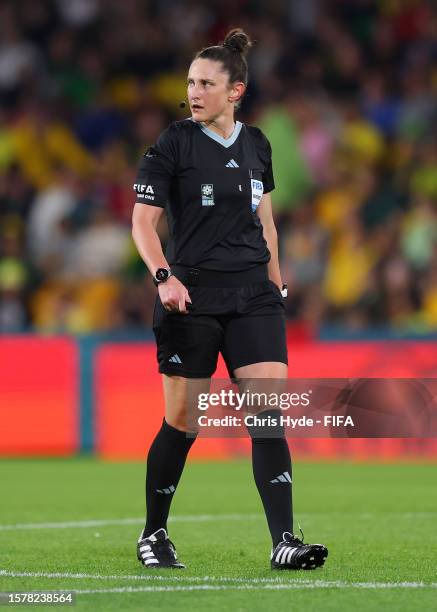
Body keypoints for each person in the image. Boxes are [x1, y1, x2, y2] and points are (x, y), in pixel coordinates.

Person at [131, 28, 328, 570]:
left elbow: (264, 219)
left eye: (206, 83)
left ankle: (284, 540)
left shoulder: (258, 144)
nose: (194, 92)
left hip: (252, 296)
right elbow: (143, 223)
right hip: (189, 297)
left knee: (267, 416)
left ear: (235, 90)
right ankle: (154, 533)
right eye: (190, 82)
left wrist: (277, 281)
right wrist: (164, 278)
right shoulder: (173, 142)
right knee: (183, 421)